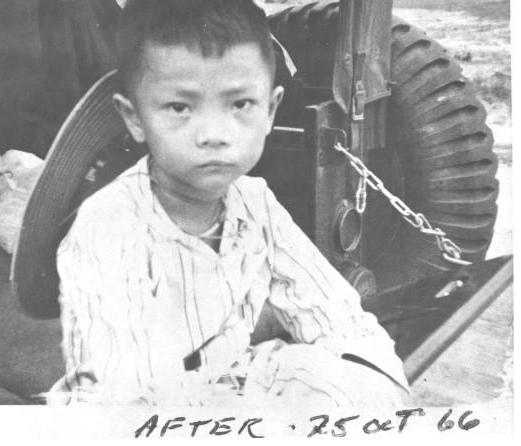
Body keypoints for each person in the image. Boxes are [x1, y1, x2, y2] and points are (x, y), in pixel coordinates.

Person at [49, 0, 410, 408]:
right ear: (134, 118)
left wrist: (374, 387)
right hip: (142, 411)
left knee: (356, 382)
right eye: (180, 107)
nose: (215, 134)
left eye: (240, 104)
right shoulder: (109, 226)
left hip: (234, 380)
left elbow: (338, 316)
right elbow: (125, 396)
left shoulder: (256, 203)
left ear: (270, 110)